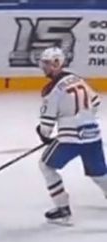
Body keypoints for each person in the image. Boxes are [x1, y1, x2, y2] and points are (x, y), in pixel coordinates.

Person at [35, 46, 107, 224]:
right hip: (92, 134)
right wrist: (83, 117)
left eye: (46, 63)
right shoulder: (77, 79)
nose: (43, 67)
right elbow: (95, 102)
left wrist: (43, 134)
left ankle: (62, 208)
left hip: (70, 138)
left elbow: (46, 128)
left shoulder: (51, 90)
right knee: (99, 174)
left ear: (56, 64)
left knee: (46, 166)